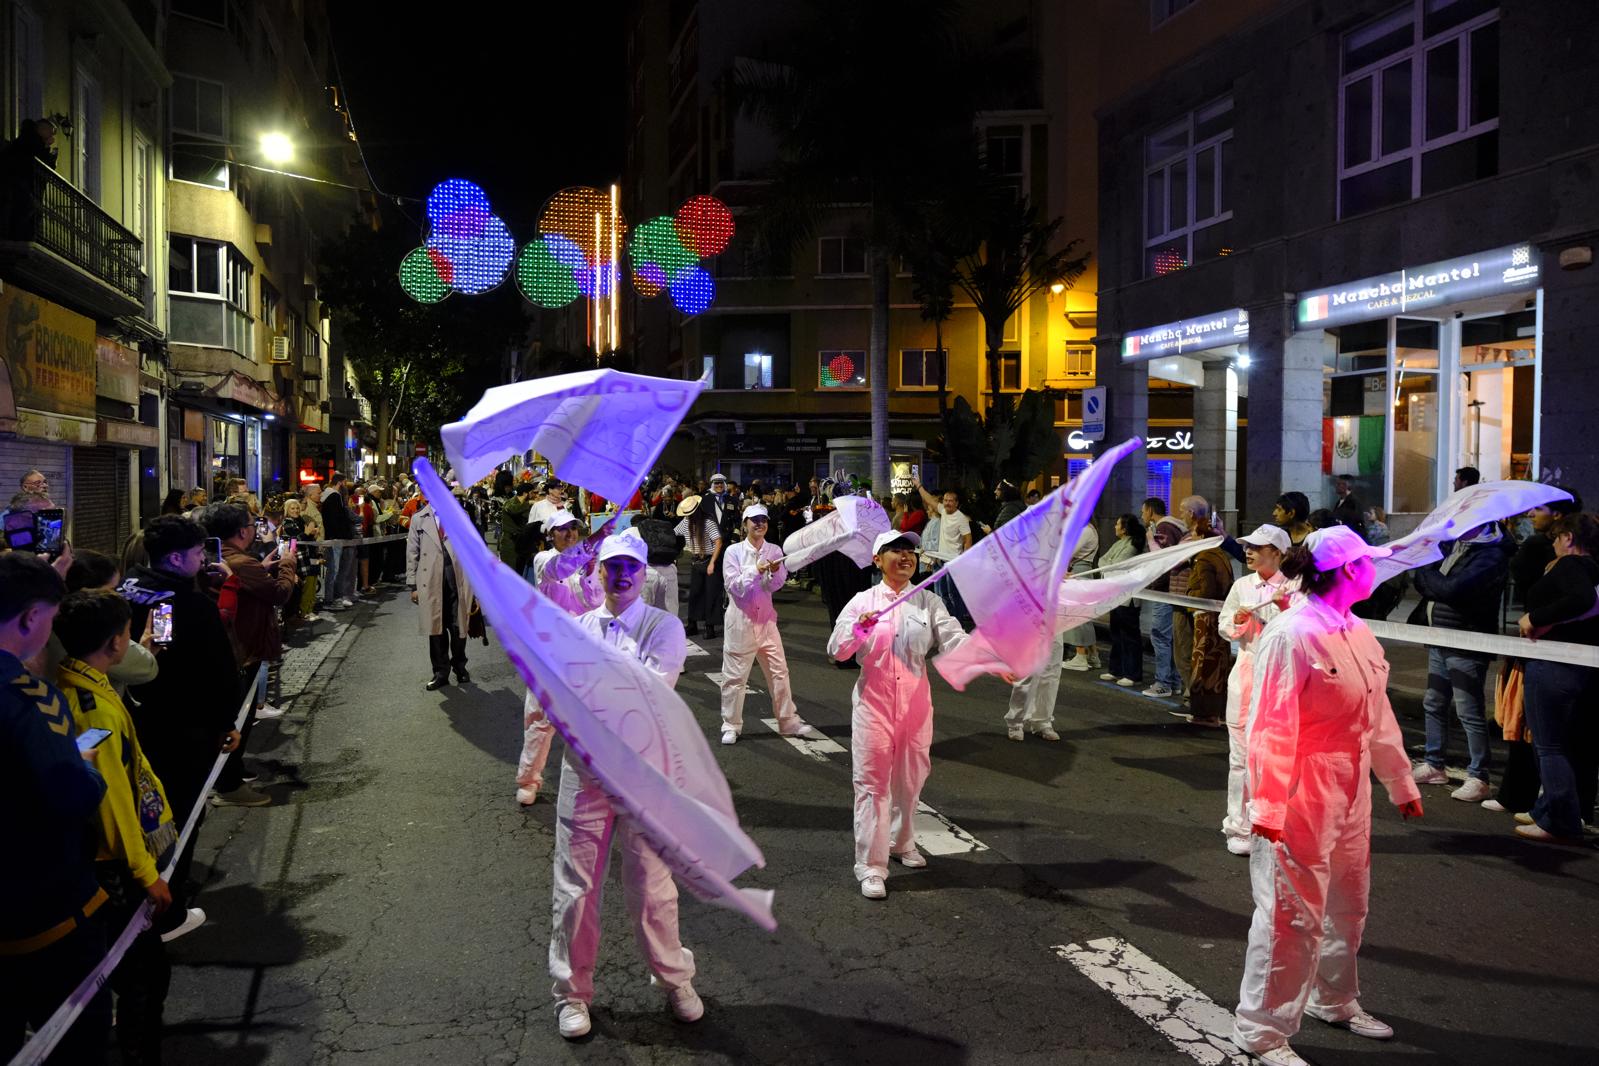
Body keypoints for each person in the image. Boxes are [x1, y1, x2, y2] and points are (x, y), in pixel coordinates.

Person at [1232, 526, 1424, 1064]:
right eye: (1365, 563)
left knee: (1348, 905)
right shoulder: (1291, 635)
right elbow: (1269, 728)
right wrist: (1267, 807)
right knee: (1290, 915)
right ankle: (1262, 1029)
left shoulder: (1358, 630)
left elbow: (1377, 715)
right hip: (1300, 790)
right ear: (1343, 572)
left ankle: (1334, 999)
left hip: (1351, 787)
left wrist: (1398, 780)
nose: (1373, 571)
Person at [550, 531, 702, 1039]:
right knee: (575, 887)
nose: (621, 575)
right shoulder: (578, 627)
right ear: (599, 573)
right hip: (585, 771)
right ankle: (572, 993)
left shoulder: (665, 628)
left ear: (643, 573)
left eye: (630, 567)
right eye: (612, 566)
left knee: (652, 888)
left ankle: (674, 978)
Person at [55, 590, 176, 1064]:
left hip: (98, 863)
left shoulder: (71, 682)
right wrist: (146, 873)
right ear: (114, 643)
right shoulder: (93, 708)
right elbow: (111, 801)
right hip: (113, 869)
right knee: (142, 977)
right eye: (128, 632)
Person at [0, 554, 113, 1064]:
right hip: (40, 910)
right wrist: (83, 762)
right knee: (75, 1035)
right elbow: (75, 794)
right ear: (29, 618)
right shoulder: (28, 700)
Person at [828, 530, 972, 899]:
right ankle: (871, 866)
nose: (906, 557)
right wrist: (862, 627)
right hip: (873, 703)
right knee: (873, 785)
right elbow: (837, 650)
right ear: (878, 560)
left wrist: (986, 656)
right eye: (896, 551)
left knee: (910, 782)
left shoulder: (927, 602)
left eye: (910, 552)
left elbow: (953, 636)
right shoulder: (863, 601)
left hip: (915, 705)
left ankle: (902, 842)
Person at [1409, 522, 1512, 803]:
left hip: (1466, 641)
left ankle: (1479, 776)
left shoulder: (1490, 555)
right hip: (1441, 636)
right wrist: (1433, 579)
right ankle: (1434, 763)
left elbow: (1454, 589)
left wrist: (1430, 576)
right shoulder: (1454, 547)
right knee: (1434, 702)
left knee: (1469, 709)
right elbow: (1428, 584)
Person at [203, 502, 298, 806]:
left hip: (229, 648)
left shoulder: (220, 559)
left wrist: (263, 568)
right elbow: (279, 594)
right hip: (244, 649)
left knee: (233, 714)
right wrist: (287, 565)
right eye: (251, 523)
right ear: (241, 531)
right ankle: (229, 785)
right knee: (238, 717)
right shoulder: (243, 563)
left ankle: (233, 773)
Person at [1514, 512, 1599, 845]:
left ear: (1568, 538)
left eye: (1556, 538)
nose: (1553, 544)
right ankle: (1548, 809)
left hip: (1554, 665)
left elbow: (1581, 600)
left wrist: (1536, 617)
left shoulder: (1571, 566)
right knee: (1571, 745)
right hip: (1584, 668)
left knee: (1549, 746)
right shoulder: (1594, 570)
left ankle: (1559, 821)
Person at [517, 509, 604, 805]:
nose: (570, 534)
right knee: (540, 720)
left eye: (574, 529)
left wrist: (592, 569)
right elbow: (560, 569)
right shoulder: (544, 560)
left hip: (582, 651)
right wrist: (594, 544)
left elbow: (596, 602)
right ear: (549, 535)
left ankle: (592, 780)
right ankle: (529, 780)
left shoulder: (586, 564)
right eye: (562, 530)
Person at [1217, 525, 1292, 856]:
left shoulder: (1295, 587)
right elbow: (1225, 627)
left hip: (1282, 680)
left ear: (1277, 552)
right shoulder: (1242, 585)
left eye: (1257, 547)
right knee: (1241, 758)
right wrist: (1238, 617)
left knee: (1278, 757)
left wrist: (1284, 607)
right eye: (1246, 546)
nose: (1247, 551)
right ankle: (1240, 825)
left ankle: (1276, 822)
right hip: (1247, 675)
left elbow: (1306, 633)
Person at [718, 504, 814, 744]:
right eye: (754, 520)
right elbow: (735, 588)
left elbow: (775, 586)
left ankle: (788, 721)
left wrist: (776, 571)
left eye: (763, 520)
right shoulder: (733, 551)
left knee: (779, 673)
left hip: (767, 622)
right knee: (735, 677)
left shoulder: (774, 549)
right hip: (741, 622)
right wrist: (756, 569)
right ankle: (731, 724)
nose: (759, 524)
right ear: (745, 524)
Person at [406, 488, 477, 691]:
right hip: (430, 580)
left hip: (458, 578)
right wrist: (413, 584)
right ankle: (440, 672)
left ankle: (460, 666)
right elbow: (412, 552)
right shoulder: (418, 518)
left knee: (458, 626)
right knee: (435, 627)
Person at [1179, 498, 1235, 728]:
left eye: (1193, 535)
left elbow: (1204, 591)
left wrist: (1190, 598)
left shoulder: (1204, 557)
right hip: (1217, 617)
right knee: (1216, 668)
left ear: (1201, 536)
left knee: (1203, 668)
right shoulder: (1218, 554)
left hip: (1206, 619)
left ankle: (1205, 714)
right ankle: (1216, 712)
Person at [912, 477, 973, 627]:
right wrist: (919, 485)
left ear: (957, 503)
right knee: (942, 593)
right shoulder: (943, 512)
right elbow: (928, 499)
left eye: (950, 500)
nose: (947, 503)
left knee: (953, 593)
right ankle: (949, 620)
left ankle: (958, 622)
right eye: (945, 500)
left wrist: (963, 560)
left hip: (953, 561)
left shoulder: (961, 519)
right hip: (940, 561)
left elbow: (968, 539)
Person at [1100, 515, 1147, 688]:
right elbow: (1103, 560)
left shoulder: (1134, 545)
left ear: (1125, 528)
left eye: (1117, 524)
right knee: (1116, 633)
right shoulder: (1118, 543)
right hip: (1116, 595)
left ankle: (1133, 673)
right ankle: (1116, 669)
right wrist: (1110, 564)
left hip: (1129, 597)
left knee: (1129, 635)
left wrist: (1110, 564)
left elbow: (1118, 564)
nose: (1115, 526)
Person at [1142, 515, 1186, 698]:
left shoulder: (1163, 528)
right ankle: (1174, 681)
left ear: (1150, 512)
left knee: (1160, 637)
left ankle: (1163, 683)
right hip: (1174, 590)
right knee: (1171, 638)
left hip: (1165, 590)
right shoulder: (1179, 529)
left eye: (1144, 511)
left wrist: (1151, 540)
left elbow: (1163, 560)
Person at [676, 493, 723, 639]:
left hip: (709, 560)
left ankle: (710, 627)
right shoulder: (686, 522)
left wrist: (712, 563)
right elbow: (674, 533)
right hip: (696, 561)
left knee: (711, 595)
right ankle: (692, 625)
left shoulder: (708, 522)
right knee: (695, 594)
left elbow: (718, 542)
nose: (689, 516)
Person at [1061, 525, 1101, 672]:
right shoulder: (1089, 529)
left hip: (1078, 571)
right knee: (1084, 616)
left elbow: (1067, 551)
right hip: (1082, 570)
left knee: (1076, 615)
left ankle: (1080, 657)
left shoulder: (1085, 529)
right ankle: (1093, 655)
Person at [633, 508, 685, 615]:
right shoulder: (660, 529)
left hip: (647, 571)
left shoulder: (630, 532)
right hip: (669, 570)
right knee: (670, 611)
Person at [319, 473, 356, 610]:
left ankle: (334, 597)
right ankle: (331, 600)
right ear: (340, 483)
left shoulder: (328, 496)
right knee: (334, 570)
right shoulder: (334, 497)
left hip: (333, 537)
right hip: (335, 538)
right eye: (344, 483)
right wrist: (342, 534)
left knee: (334, 569)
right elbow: (337, 519)